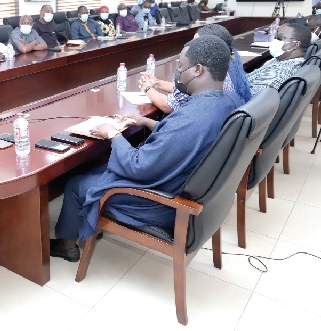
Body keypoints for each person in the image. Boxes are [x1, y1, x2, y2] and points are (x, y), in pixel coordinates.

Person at [49, 35, 242, 261]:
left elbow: (138, 167)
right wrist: (148, 122)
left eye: (181, 66)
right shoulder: (229, 100)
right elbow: (183, 137)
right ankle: (87, 224)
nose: (177, 73)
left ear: (197, 69)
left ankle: (67, 245)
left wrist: (112, 133)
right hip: (184, 183)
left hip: (158, 201)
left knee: (75, 183)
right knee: (101, 168)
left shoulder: (191, 117)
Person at [143, 23, 252, 113]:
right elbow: (187, 89)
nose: (192, 47)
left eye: (197, 43)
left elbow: (167, 106)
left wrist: (147, 88)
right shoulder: (228, 62)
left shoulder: (202, 74)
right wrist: (158, 83)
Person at [248, 23, 310, 95]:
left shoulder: (279, 73)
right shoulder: (282, 59)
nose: (274, 41)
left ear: (295, 45)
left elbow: (250, 99)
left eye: (279, 38)